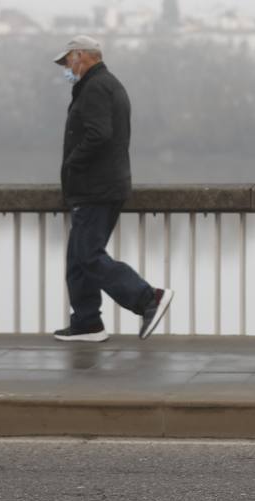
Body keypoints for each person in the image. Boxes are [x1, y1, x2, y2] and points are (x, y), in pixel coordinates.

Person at [51, 35, 173, 342]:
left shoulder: (95, 88)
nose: (66, 68)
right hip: (102, 185)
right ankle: (87, 323)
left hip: (96, 188)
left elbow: (99, 134)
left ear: (81, 56)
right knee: (78, 258)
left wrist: (72, 164)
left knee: (89, 256)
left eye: (67, 61)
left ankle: (147, 298)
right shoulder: (106, 85)